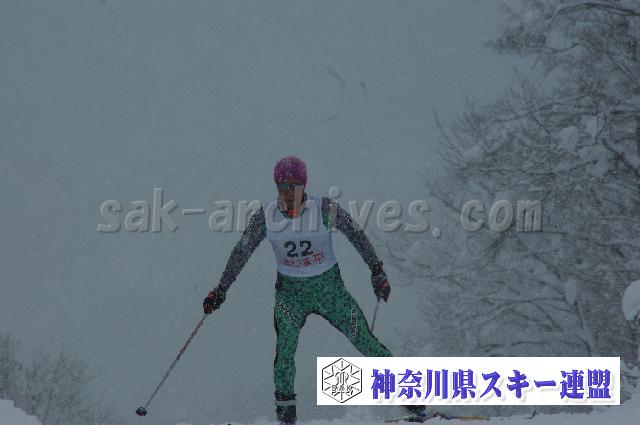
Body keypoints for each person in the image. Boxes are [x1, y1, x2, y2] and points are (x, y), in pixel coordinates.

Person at [203, 156, 426, 424]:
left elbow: (356, 235)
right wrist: (221, 289)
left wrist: (376, 271)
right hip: (291, 295)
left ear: (304, 185)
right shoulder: (265, 217)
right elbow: (241, 252)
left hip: (329, 290)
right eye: (282, 187)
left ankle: (413, 403)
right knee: (285, 350)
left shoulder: (324, 209)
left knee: (364, 341)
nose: (288, 194)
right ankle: (286, 417)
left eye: (294, 186)